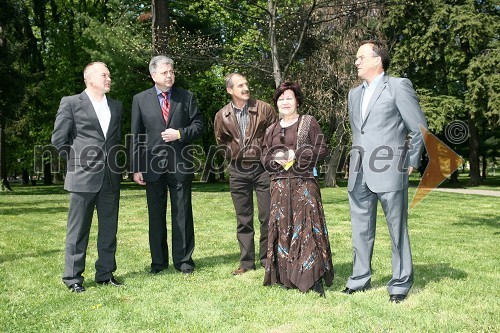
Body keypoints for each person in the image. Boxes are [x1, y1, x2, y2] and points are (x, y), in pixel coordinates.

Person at [343, 40, 428, 303]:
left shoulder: (398, 86)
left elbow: (418, 127)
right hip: (359, 172)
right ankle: (359, 279)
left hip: (391, 169)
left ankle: (400, 284)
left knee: (396, 229)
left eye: (360, 57)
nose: (356, 62)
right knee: (360, 229)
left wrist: (411, 160)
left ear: (377, 59)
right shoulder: (353, 94)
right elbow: (360, 132)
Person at [51, 61, 124, 292]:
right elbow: (58, 140)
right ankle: (73, 278)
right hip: (82, 177)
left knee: (109, 230)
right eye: (104, 75)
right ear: (89, 78)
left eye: (109, 75)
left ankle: (105, 274)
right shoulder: (71, 103)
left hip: (110, 178)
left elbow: (115, 140)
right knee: (78, 230)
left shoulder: (117, 106)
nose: (109, 79)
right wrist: (78, 162)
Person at [131, 56, 203, 275]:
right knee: (156, 216)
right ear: (153, 75)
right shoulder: (140, 99)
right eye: (164, 72)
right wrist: (136, 167)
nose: (169, 75)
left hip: (180, 164)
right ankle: (158, 263)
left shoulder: (186, 97)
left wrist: (180, 133)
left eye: (171, 71)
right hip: (151, 166)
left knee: (182, 214)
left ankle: (184, 261)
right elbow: (136, 135)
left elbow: (199, 125)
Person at [261, 82, 334, 297]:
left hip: (304, 184)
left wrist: (297, 155)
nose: (285, 102)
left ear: (297, 101)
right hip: (280, 186)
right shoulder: (271, 129)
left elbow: (321, 149)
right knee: (283, 228)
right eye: (281, 98)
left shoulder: (308, 122)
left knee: (308, 228)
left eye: (289, 98)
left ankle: (312, 277)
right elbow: (264, 157)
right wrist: (277, 158)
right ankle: (286, 277)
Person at [214, 73, 277, 275]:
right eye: (240, 85)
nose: (245, 88)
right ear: (230, 90)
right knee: (243, 218)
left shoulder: (264, 108)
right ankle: (246, 263)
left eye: (246, 84)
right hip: (237, 170)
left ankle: (268, 259)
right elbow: (221, 142)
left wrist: (267, 156)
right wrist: (233, 155)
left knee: (267, 216)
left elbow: (275, 135)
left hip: (263, 169)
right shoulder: (221, 115)